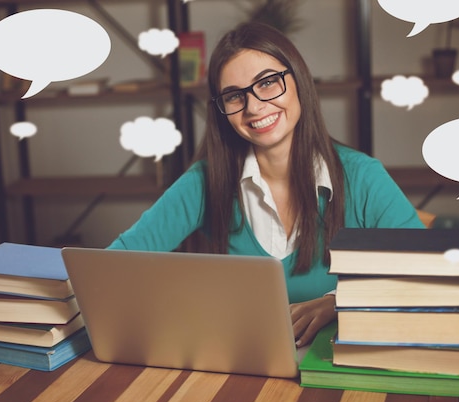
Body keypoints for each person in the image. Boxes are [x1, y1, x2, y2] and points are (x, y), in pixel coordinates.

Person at [108, 22, 424, 348]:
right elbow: (111, 269)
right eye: (234, 96)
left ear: (298, 79)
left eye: (268, 83)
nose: (254, 107)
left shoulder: (362, 177)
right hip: (237, 370)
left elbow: (431, 277)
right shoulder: (205, 181)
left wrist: (337, 301)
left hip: (338, 373)